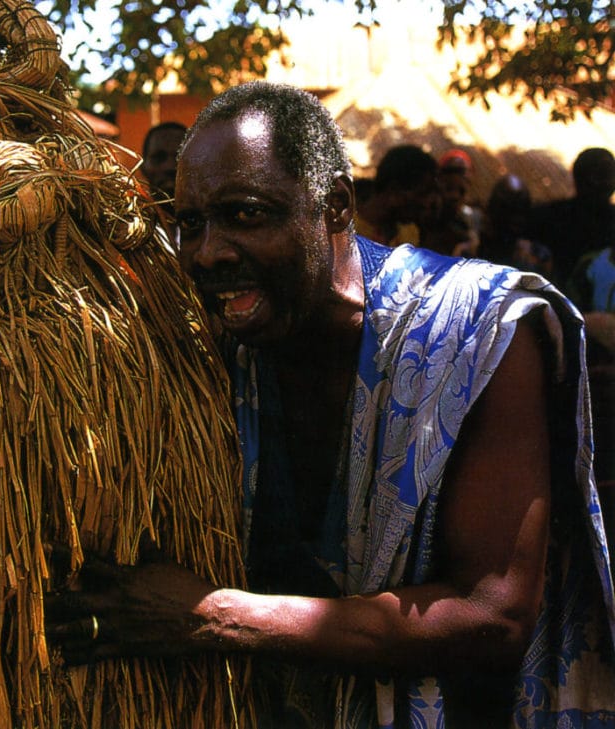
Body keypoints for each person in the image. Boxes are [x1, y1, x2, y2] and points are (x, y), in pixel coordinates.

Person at [47, 82, 615, 727]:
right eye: (191, 224)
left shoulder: (476, 336)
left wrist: (212, 616)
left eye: (246, 214)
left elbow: (492, 615)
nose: (207, 251)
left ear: (336, 205)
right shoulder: (215, 353)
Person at [532, 146, 615, 287]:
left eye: (610, 174)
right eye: (600, 175)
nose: (607, 182)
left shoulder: (550, 215)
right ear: (581, 178)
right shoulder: (549, 217)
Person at [354, 143, 438, 247]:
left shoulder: (409, 236)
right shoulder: (340, 228)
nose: (426, 203)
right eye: (422, 194)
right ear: (393, 189)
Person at [477, 174, 552, 276]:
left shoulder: (538, 255)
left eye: (520, 210)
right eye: (509, 210)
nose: (516, 219)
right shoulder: (475, 252)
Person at [420, 149, 480, 257]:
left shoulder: (471, 218)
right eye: (449, 189)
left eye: (461, 191)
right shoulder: (427, 216)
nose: (454, 196)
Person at [140, 121, 187, 243]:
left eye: (179, 157)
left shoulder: (213, 230)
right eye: (158, 158)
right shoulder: (127, 230)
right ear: (143, 167)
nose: (170, 167)